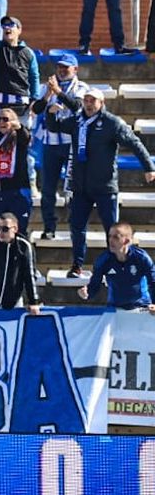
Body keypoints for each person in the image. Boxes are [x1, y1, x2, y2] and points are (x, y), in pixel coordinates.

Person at [52, 88, 155, 276]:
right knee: (76, 227)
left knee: (112, 229)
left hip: (105, 186)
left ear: (102, 103)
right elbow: (54, 127)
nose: (88, 104)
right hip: (81, 186)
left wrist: (148, 167)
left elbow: (134, 142)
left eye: (93, 101)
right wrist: (50, 114)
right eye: (86, 100)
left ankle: (115, 264)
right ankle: (77, 265)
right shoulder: (77, 120)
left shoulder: (111, 123)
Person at [34, 54, 88, 239]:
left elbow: (77, 106)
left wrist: (58, 93)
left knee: (74, 187)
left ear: (75, 69)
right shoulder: (46, 87)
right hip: (50, 143)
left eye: (66, 67)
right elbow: (36, 109)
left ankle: (75, 227)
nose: (62, 70)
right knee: (48, 189)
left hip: (72, 144)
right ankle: (49, 227)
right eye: (60, 67)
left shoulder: (81, 87)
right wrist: (48, 95)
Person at [0, 106, 34, 235]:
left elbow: (26, 138)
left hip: (18, 191)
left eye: (5, 119)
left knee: (19, 230)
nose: (1, 122)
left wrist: (19, 127)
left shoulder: (19, 136)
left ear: (13, 121)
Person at [81, 222, 155, 312]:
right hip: (115, 308)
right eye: (109, 236)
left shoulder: (141, 258)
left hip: (141, 307)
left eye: (116, 237)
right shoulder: (103, 260)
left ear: (127, 241)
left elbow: (153, 282)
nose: (110, 240)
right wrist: (86, 292)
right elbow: (95, 284)